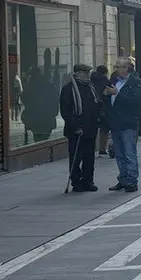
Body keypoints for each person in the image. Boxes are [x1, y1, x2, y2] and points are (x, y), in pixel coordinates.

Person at [104, 57, 141, 193]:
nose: (116, 69)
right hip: (115, 123)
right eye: (115, 66)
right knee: (119, 154)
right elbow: (108, 101)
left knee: (129, 153)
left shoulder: (136, 82)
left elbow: (135, 101)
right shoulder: (114, 81)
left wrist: (117, 94)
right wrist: (106, 95)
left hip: (128, 123)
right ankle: (123, 178)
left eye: (118, 67)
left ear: (126, 68)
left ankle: (132, 181)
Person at [59, 64, 101, 192]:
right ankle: (76, 182)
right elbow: (66, 111)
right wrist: (75, 127)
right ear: (77, 74)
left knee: (89, 157)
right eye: (85, 73)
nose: (88, 75)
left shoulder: (91, 87)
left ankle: (88, 181)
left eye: (88, 73)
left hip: (90, 129)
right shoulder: (69, 89)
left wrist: (99, 118)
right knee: (76, 157)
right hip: (76, 131)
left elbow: (97, 105)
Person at [90, 65, 111, 156]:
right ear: (105, 72)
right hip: (104, 108)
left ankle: (91, 148)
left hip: (92, 108)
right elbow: (109, 95)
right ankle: (102, 148)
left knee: (92, 129)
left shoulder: (90, 81)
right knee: (104, 129)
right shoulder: (106, 81)